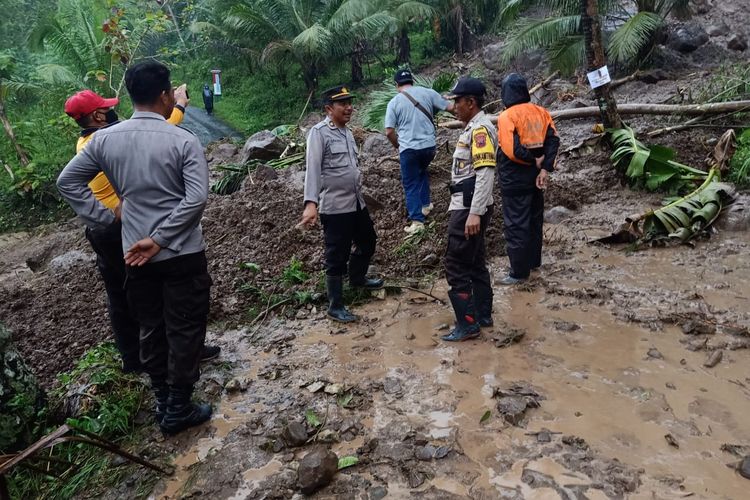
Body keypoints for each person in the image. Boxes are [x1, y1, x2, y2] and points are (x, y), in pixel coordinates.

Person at [57, 60, 213, 435]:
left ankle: (162, 399)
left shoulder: (104, 140)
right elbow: (196, 199)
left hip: (133, 253)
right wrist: (160, 239)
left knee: (151, 325)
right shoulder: (183, 139)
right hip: (181, 252)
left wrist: (107, 218)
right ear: (164, 95)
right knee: (185, 326)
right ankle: (178, 406)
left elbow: (67, 182)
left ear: (130, 95)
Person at [300, 85, 384, 323]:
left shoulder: (347, 132)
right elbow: (313, 169)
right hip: (335, 207)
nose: (349, 108)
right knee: (336, 255)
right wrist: (311, 203)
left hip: (356, 203)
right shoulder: (319, 133)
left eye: (350, 103)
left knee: (368, 240)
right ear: (329, 108)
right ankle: (335, 305)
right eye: (343, 104)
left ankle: (357, 279)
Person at [441, 77, 497, 342]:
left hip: (468, 207)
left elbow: (485, 172)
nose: (454, 106)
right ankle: (482, 316)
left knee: (456, 263)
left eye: (457, 101)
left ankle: (468, 324)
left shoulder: (480, 130)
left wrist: (475, 212)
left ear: (471, 102)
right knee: (474, 261)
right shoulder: (473, 128)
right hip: (469, 204)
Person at [496, 73, 560, 285]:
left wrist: (534, 161)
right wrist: (544, 167)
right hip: (536, 178)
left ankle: (518, 273)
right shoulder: (541, 112)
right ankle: (533, 262)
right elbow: (553, 141)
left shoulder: (507, 117)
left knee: (516, 224)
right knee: (534, 220)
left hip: (514, 179)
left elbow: (511, 150)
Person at [385, 69, 454, 235]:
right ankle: (425, 205)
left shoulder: (394, 102)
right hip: (429, 147)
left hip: (409, 148)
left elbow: (389, 131)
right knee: (422, 171)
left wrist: (397, 145)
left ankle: (417, 221)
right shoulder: (428, 93)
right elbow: (451, 107)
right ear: (412, 81)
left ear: (397, 85)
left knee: (410, 183)